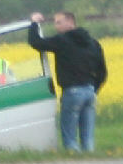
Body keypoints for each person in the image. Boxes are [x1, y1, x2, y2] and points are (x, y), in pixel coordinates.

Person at [28, 11, 107, 152]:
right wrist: (93, 89)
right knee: (88, 138)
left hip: (72, 91)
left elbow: (36, 42)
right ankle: (89, 161)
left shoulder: (63, 40)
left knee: (70, 137)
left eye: (59, 22)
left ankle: (74, 161)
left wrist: (34, 23)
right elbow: (102, 72)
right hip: (89, 91)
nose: (56, 26)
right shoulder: (93, 43)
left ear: (70, 22)